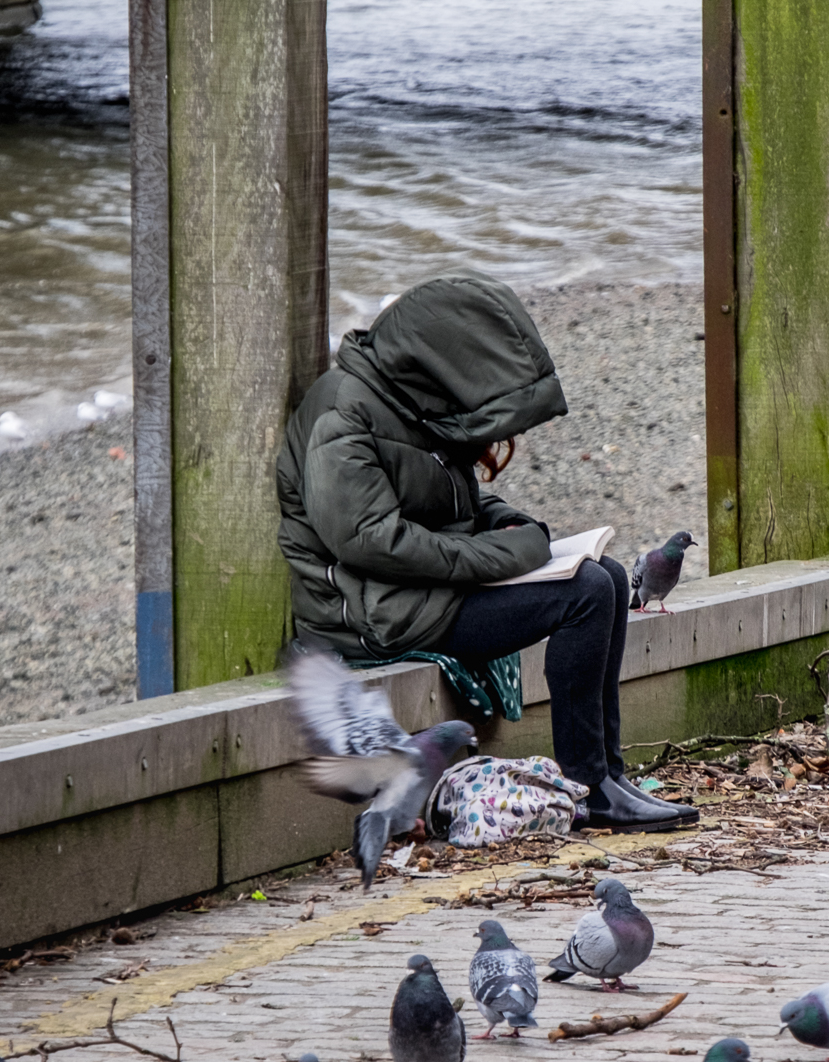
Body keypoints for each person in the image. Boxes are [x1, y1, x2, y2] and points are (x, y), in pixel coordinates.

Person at [276, 274, 694, 831]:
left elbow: (456, 506)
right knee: (587, 593)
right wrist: (507, 554)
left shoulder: (408, 401)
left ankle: (608, 775)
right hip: (374, 613)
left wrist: (512, 524)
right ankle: (589, 788)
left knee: (613, 577)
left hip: (421, 592)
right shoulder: (342, 415)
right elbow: (370, 541)